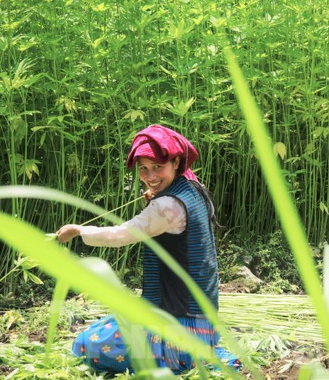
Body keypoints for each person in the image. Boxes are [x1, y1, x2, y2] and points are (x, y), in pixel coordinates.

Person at [56, 124, 241, 374]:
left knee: (87, 346)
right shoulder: (190, 185)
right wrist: (156, 194)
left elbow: (122, 234)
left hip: (177, 326)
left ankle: (181, 357)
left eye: (157, 167)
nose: (150, 176)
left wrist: (78, 230)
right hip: (201, 319)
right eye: (143, 169)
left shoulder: (167, 205)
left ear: (176, 162)